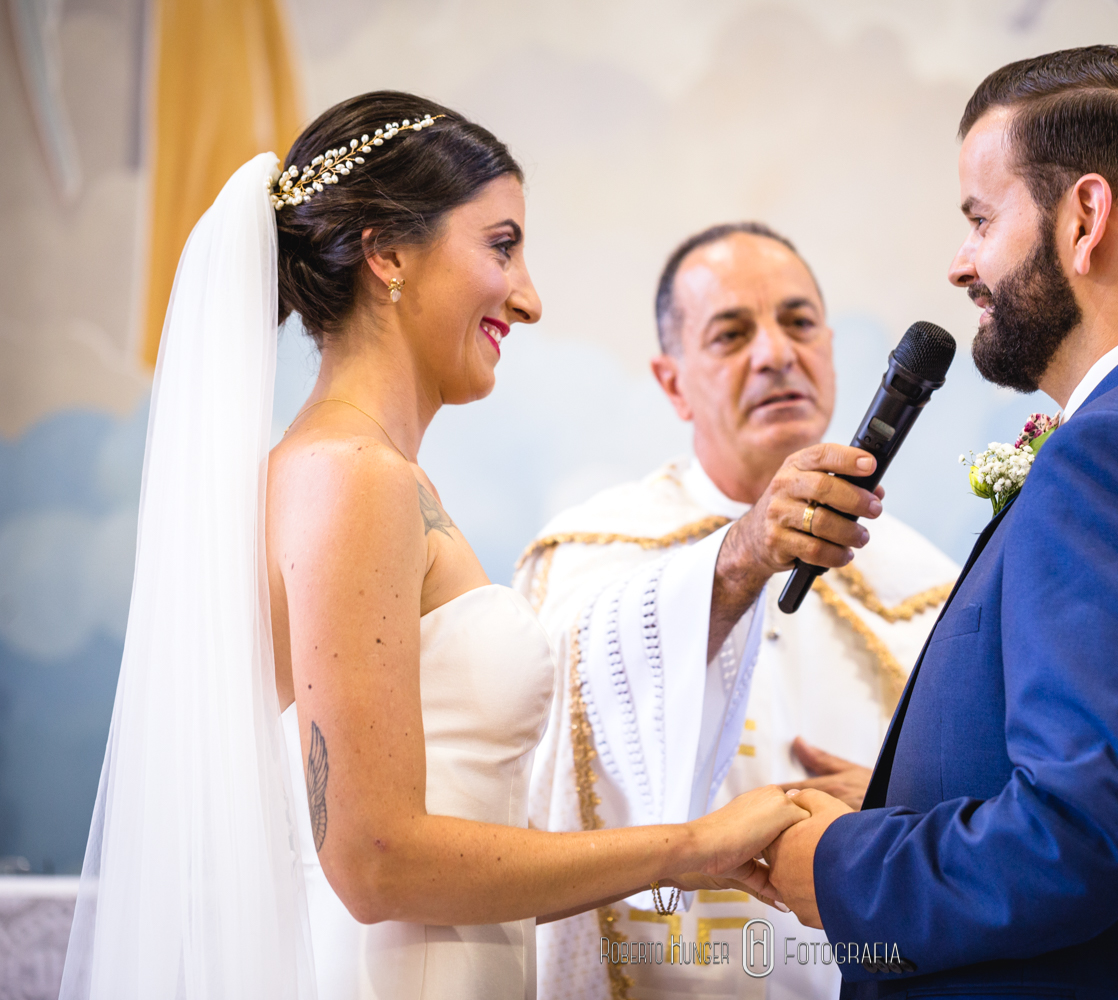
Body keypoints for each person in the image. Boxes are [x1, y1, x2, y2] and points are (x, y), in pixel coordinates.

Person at [60, 91, 809, 1000]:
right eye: (501, 246)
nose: (528, 298)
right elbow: (377, 863)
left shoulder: (361, 474)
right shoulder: (352, 477)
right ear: (387, 254)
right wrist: (692, 846)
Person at [763, 46, 1118, 998]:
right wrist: (904, 804)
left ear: (1084, 218)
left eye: (981, 219)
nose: (961, 264)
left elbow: (1088, 837)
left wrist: (836, 868)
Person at [519, 223, 957, 1000]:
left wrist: (905, 798)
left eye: (798, 323)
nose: (775, 354)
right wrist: (742, 556)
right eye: (731, 333)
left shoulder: (927, 579)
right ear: (672, 381)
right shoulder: (590, 553)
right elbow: (556, 729)